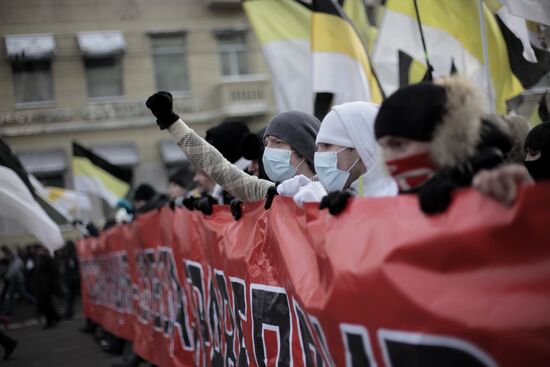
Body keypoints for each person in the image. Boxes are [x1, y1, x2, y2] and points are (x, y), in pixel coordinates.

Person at [373, 76, 527, 214]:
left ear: (444, 140)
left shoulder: (494, 187)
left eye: (399, 145)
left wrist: (518, 195)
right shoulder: (401, 204)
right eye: (384, 149)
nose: (389, 161)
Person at [145, 91, 320, 202]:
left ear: (303, 149)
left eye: (278, 142)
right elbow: (218, 168)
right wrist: (172, 123)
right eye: (267, 144)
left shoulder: (333, 193)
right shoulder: (273, 193)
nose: (269, 150)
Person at [1, 246, 36, 315]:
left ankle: (37, 302)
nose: (7, 256)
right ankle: (9, 310)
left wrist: (7, 276)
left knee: (23, 294)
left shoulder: (16, 261)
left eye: (8, 254)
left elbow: (13, 270)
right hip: (15, 279)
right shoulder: (13, 260)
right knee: (12, 295)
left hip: (17, 279)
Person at [33, 245, 61, 329]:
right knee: (46, 304)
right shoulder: (38, 259)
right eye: (37, 250)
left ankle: (50, 322)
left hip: (46, 285)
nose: (39, 252)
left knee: (46, 304)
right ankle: (55, 317)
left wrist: (54, 284)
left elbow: (53, 271)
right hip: (41, 286)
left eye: (40, 250)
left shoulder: (46, 258)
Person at [62, 240, 80, 319]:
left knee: (70, 297)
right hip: (75, 279)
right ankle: (68, 313)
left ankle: (68, 312)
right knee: (71, 297)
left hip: (71, 279)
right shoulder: (73, 256)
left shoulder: (69, 256)